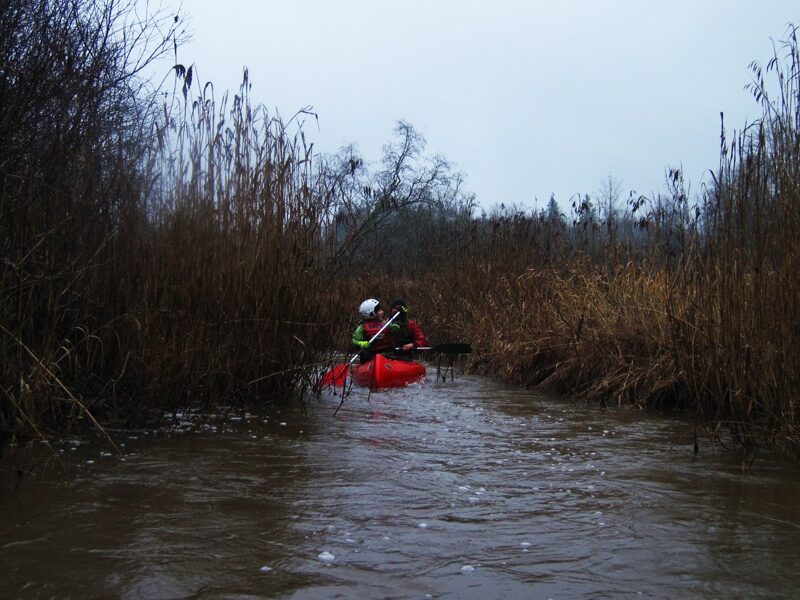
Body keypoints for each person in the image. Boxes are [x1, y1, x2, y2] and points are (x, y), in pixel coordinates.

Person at [351, 298, 395, 363]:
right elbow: (354, 341)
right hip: (370, 358)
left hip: (387, 356)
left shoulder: (386, 324)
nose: (382, 312)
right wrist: (360, 343)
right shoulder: (362, 327)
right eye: (379, 310)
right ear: (371, 313)